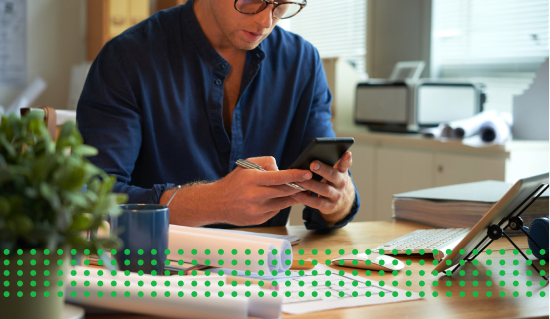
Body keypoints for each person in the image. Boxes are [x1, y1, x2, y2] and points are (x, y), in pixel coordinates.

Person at [76, 0, 360, 230]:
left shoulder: (303, 62)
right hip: (155, 277)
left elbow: (328, 183)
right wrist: (213, 202)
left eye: (280, 3)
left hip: (263, 277)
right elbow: (94, 199)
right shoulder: (127, 58)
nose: (265, 21)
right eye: (251, 0)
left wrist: (339, 200)